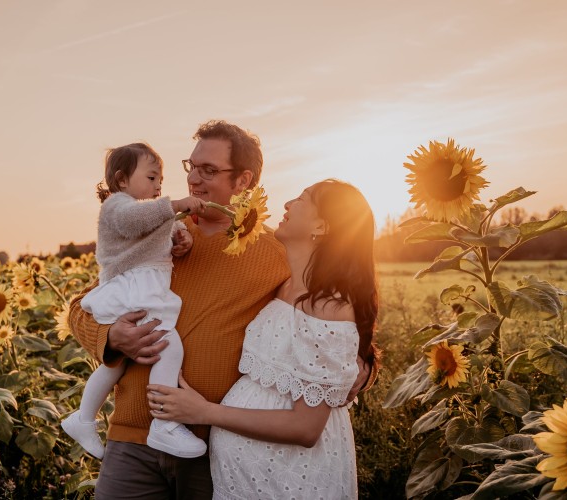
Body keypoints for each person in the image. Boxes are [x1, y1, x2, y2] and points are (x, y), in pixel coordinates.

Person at [68, 121, 374, 499]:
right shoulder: (159, 233)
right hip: (134, 438)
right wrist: (112, 336)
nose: (194, 179)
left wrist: (364, 369)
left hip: (212, 445)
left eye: (208, 170)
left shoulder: (278, 254)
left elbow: (333, 328)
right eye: (191, 167)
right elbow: (82, 307)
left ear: (243, 180)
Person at [147, 179, 380, 499]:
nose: (286, 205)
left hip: (292, 479)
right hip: (245, 480)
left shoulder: (328, 306)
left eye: (301, 199)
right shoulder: (283, 284)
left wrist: (204, 412)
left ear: (322, 225)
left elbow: (306, 428)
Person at [61, 142, 208, 459]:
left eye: (161, 181)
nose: (159, 187)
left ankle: (83, 418)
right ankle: (163, 424)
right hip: (132, 289)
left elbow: (163, 228)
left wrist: (180, 238)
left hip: (143, 287)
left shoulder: (153, 212)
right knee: (168, 344)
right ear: (122, 180)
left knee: (117, 363)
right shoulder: (117, 207)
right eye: (152, 178)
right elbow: (137, 220)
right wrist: (176, 205)